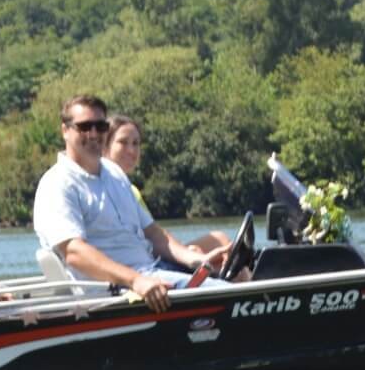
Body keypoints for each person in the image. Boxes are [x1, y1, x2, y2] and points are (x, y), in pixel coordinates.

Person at [33, 95, 236, 312]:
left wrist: (195, 260)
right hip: (114, 291)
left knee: (231, 268)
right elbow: (75, 253)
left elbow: (153, 233)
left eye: (100, 127)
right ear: (65, 130)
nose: (93, 134)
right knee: (226, 293)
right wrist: (136, 281)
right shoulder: (57, 184)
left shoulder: (114, 173)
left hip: (150, 271)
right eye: (84, 127)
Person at [104, 114, 151, 215]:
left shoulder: (132, 191)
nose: (131, 150)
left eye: (135, 143)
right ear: (104, 146)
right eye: (123, 142)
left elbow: (150, 229)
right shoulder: (95, 189)